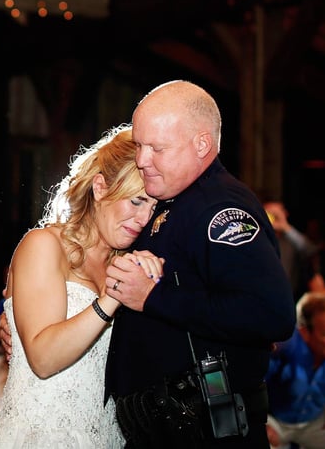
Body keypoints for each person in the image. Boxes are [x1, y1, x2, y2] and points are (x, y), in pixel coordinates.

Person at [102, 80, 297, 448]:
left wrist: (154, 297)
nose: (142, 160)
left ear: (202, 144)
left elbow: (271, 314)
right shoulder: (170, 196)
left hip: (205, 430)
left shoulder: (220, 210)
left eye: (157, 148)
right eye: (139, 145)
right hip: (164, 428)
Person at [0, 125, 161, 448]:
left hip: (106, 438)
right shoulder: (44, 245)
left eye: (152, 207)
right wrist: (109, 300)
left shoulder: (130, 266)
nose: (143, 218)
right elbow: (43, 359)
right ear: (100, 187)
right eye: (136, 201)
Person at [265, 293, 325, 448]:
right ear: (305, 333)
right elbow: (254, 384)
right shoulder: (286, 348)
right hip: (276, 420)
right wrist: (260, 422)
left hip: (316, 420)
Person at [263, 200, 319, 301]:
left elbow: (311, 251)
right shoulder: (259, 238)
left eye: (276, 213)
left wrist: (285, 227)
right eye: (268, 213)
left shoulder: (291, 240)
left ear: (285, 214)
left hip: (290, 297)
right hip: (263, 295)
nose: (273, 217)